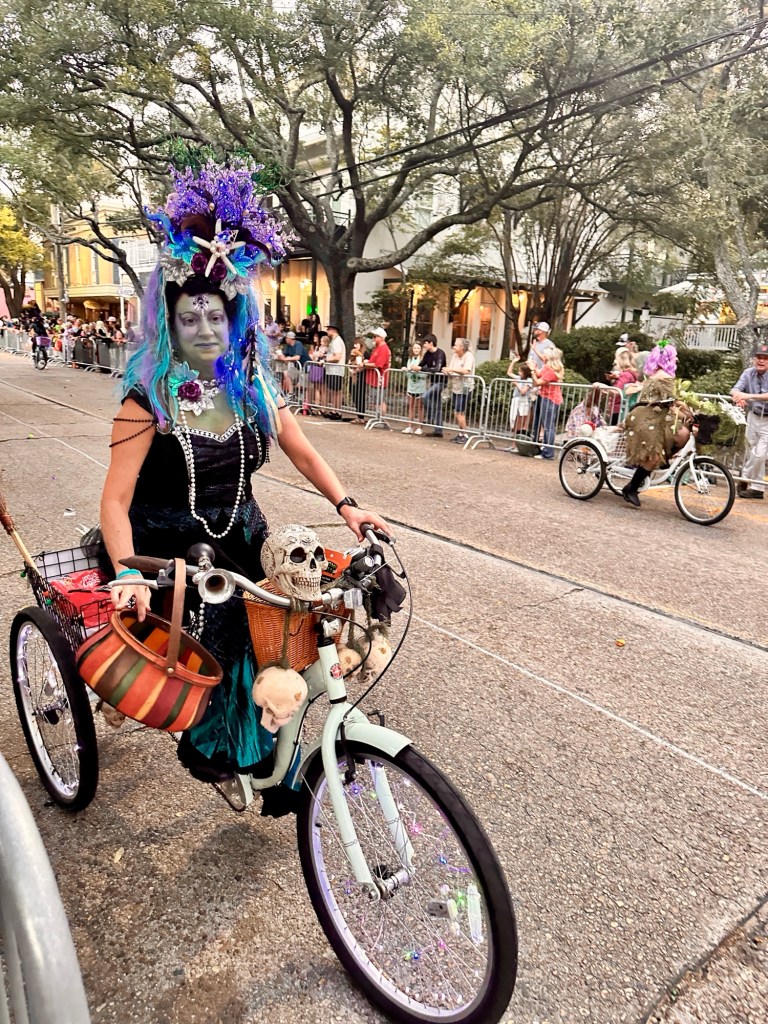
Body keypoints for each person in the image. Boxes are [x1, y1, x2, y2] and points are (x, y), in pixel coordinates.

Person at [100, 158, 390, 807]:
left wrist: (347, 506)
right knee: (226, 648)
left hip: (245, 536)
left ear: (236, 320)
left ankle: (259, 747)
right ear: (170, 323)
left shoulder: (251, 383)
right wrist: (125, 574)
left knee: (295, 626)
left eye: (216, 317)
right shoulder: (148, 398)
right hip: (168, 551)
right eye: (190, 318)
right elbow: (113, 501)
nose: (205, 330)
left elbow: (301, 449)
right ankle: (217, 756)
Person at [618, 341, 694, 507]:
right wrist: (690, 412)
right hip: (646, 418)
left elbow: (669, 403)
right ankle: (631, 488)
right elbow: (674, 402)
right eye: (674, 357)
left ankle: (660, 463)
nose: (676, 360)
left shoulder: (656, 374)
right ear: (667, 359)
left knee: (679, 435)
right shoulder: (665, 376)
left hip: (651, 416)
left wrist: (685, 412)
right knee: (654, 456)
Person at [731, 341, 768, 499]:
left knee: (760, 454)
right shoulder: (748, 373)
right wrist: (738, 396)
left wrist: (747, 396)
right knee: (752, 451)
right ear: (754, 359)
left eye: (765, 358)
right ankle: (757, 488)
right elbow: (735, 389)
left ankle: (745, 477)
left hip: (767, 419)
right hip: (753, 416)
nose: (761, 361)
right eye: (759, 357)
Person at [530, 347, 564, 459]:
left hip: (550, 399)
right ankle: (545, 450)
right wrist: (534, 367)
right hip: (546, 397)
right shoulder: (547, 367)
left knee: (548, 427)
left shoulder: (551, 371)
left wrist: (532, 370)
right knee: (547, 426)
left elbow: (537, 382)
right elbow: (539, 374)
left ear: (549, 357)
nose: (542, 357)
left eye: (544, 355)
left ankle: (548, 453)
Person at [445, 337, 475, 444]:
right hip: (456, 386)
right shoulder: (455, 355)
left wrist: (451, 369)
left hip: (465, 387)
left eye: (456, 345)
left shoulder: (469, 356)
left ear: (462, 347)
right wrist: (447, 371)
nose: (454, 346)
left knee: (460, 411)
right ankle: (461, 433)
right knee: (457, 412)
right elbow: (451, 368)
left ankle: (465, 434)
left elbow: (466, 370)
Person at [419, 334, 447, 436]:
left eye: (425, 343)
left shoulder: (440, 353)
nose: (424, 345)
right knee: (438, 405)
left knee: (425, 396)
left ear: (431, 343)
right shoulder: (427, 354)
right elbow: (421, 364)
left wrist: (421, 369)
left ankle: (430, 417)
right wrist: (413, 367)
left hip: (441, 382)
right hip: (433, 381)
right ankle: (438, 430)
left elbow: (437, 369)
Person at [606, 347, 639, 424]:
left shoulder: (625, 375)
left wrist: (602, 387)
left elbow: (617, 391)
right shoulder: (633, 374)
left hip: (618, 409)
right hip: (624, 408)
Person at [364, 327, 391, 417]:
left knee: (380, 401)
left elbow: (378, 364)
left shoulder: (383, 349)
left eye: (375, 336)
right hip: (374, 379)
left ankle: (381, 418)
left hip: (379, 380)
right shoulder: (378, 348)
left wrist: (365, 364)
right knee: (376, 401)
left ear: (381, 338)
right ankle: (379, 417)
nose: (373, 338)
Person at [507, 362, 534, 448]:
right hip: (516, 400)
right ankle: (513, 443)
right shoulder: (519, 378)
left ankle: (516, 444)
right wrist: (513, 361)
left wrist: (517, 384)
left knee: (519, 423)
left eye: (521, 371)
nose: (519, 373)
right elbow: (509, 373)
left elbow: (523, 392)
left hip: (523, 402)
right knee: (513, 421)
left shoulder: (529, 380)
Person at [402, 341, 426, 434]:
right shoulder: (410, 359)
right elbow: (409, 374)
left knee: (420, 407)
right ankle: (410, 426)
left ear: (421, 349)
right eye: (415, 348)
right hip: (411, 386)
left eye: (418, 348)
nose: (416, 350)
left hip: (420, 386)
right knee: (411, 406)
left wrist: (417, 371)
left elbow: (425, 374)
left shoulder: (423, 359)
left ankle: (420, 427)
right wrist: (406, 370)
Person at [323, 324, 346, 420]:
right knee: (333, 391)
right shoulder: (333, 341)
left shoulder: (337, 341)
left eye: (328, 329)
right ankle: (334, 410)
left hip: (336, 370)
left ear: (333, 330)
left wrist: (326, 360)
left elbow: (337, 357)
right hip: (331, 370)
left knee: (336, 391)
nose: (327, 331)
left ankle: (337, 411)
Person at [304, 331, 328, 414]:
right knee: (316, 387)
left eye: (316, 336)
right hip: (316, 367)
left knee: (322, 389)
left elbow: (319, 356)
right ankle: (317, 406)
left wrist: (315, 355)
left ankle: (322, 407)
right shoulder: (316, 347)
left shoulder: (324, 348)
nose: (314, 338)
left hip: (321, 367)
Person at [349, 337, 368, 422]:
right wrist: (351, 369)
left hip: (361, 377)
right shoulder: (353, 352)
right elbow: (349, 362)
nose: (355, 345)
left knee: (360, 395)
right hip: (353, 376)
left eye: (356, 344)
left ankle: (361, 416)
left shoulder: (365, 353)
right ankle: (358, 413)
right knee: (353, 393)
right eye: (354, 344)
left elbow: (366, 363)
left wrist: (358, 370)